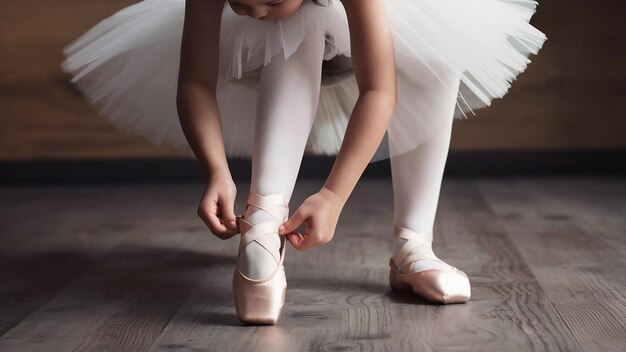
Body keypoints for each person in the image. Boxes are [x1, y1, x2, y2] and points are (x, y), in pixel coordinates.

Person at [62, 0, 547, 325]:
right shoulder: (253, 10)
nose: (254, 11)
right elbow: (194, 82)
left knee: (439, 58)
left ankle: (412, 245)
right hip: (270, 58)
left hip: (371, 23)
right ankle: (263, 225)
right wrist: (216, 170)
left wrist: (333, 196)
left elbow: (380, 91)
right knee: (290, 26)